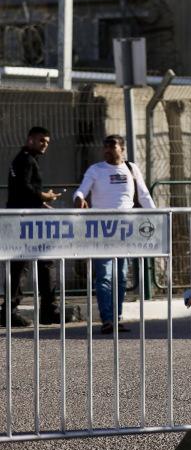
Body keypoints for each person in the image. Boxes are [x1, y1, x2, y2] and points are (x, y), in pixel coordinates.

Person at [73, 135, 156, 333]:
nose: (108, 150)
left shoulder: (131, 169)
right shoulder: (96, 170)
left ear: (122, 149)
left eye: (112, 146)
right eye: (105, 146)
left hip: (125, 231)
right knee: (104, 276)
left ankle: (116, 318)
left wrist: (156, 217)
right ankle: (107, 320)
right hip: (102, 231)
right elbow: (81, 191)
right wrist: (78, 199)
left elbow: (144, 196)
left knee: (121, 276)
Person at [5, 126, 59, 327]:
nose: (44, 144)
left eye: (47, 142)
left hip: (28, 218)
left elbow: (21, 192)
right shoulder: (26, 160)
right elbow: (25, 188)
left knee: (41, 263)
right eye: (41, 140)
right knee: (22, 265)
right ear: (30, 140)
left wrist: (42, 203)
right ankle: (11, 311)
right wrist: (44, 196)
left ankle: (47, 310)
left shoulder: (25, 159)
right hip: (23, 221)